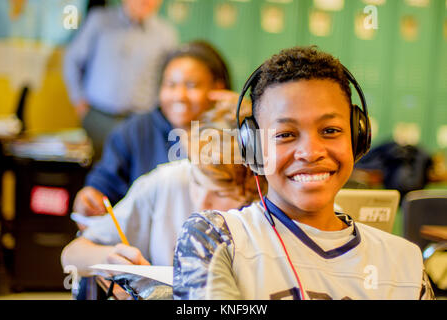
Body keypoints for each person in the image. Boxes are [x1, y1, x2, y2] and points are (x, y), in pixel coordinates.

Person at [172, 46, 435, 300]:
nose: (310, 152)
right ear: (254, 148)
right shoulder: (215, 238)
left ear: (358, 137)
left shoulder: (406, 262)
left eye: (330, 130)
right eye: (285, 135)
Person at [60, 116, 266, 299]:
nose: (202, 202)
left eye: (221, 194)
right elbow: (71, 254)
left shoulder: (265, 207)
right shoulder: (167, 182)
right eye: (196, 182)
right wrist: (110, 259)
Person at [72, 40, 237, 219]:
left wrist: (240, 117)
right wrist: (90, 196)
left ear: (218, 88)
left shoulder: (234, 133)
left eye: (191, 86)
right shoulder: (135, 130)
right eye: (171, 85)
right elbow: (104, 183)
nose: (179, 96)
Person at [63, 0, 178, 159]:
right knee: (95, 171)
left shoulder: (165, 34)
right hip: (98, 117)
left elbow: (169, 78)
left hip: (140, 120)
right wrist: (78, 99)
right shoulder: (100, 21)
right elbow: (72, 60)